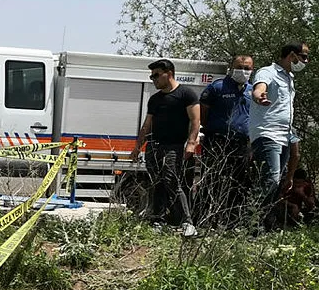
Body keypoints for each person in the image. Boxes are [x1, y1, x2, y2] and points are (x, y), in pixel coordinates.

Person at [131, 59, 200, 237]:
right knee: (156, 182)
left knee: (172, 181)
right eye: (151, 76)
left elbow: (195, 120)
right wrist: (138, 147)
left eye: (156, 75)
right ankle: (157, 219)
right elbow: (147, 125)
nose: (153, 79)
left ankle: (187, 222)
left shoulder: (186, 94)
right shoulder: (155, 99)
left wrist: (191, 143)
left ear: (168, 74)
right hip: (154, 147)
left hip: (174, 146)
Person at [250, 41, 307, 228]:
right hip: (268, 133)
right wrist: (259, 95)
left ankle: (267, 222)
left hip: (284, 135)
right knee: (271, 179)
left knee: (276, 182)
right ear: (292, 56)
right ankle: (252, 223)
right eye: (303, 56)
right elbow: (259, 87)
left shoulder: (289, 77)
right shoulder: (268, 72)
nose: (305, 61)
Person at [198, 55, 254, 226]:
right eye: (240, 67)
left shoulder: (252, 90)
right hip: (217, 142)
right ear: (231, 67)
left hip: (241, 144)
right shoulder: (217, 87)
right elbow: (203, 114)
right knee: (211, 181)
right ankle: (204, 220)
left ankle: (231, 222)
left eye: (247, 68)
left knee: (239, 183)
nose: (243, 71)